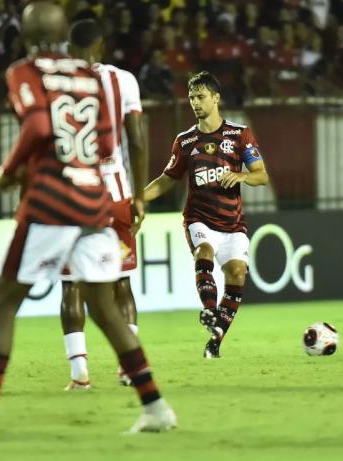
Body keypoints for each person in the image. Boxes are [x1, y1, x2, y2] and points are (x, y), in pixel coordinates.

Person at [0, 2, 175, 441]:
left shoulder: (25, 72)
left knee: (5, 303)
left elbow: (39, 127)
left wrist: (9, 171)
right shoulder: (92, 76)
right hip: (95, 201)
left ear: (25, 36)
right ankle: (156, 406)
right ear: (65, 35)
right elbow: (106, 141)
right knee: (105, 307)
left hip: (51, 202)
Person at [143, 71, 268, 359]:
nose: (195, 103)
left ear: (216, 98)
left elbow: (262, 176)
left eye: (201, 97)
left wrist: (240, 175)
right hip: (199, 217)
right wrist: (138, 199)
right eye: (191, 98)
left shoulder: (239, 134)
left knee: (237, 274)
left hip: (233, 223)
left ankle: (215, 341)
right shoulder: (185, 141)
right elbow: (167, 178)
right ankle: (209, 311)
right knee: (204, 251)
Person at [60, 18, 148, 390]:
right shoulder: (123, 80)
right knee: (121, 283)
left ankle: (80, 374)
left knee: (71, 287)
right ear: (100, 44)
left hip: (70, 194)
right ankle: (128, 368)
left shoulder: (57, 80)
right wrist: (140, 195)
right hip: (115, 190)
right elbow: (138, 140)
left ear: (69, 47)